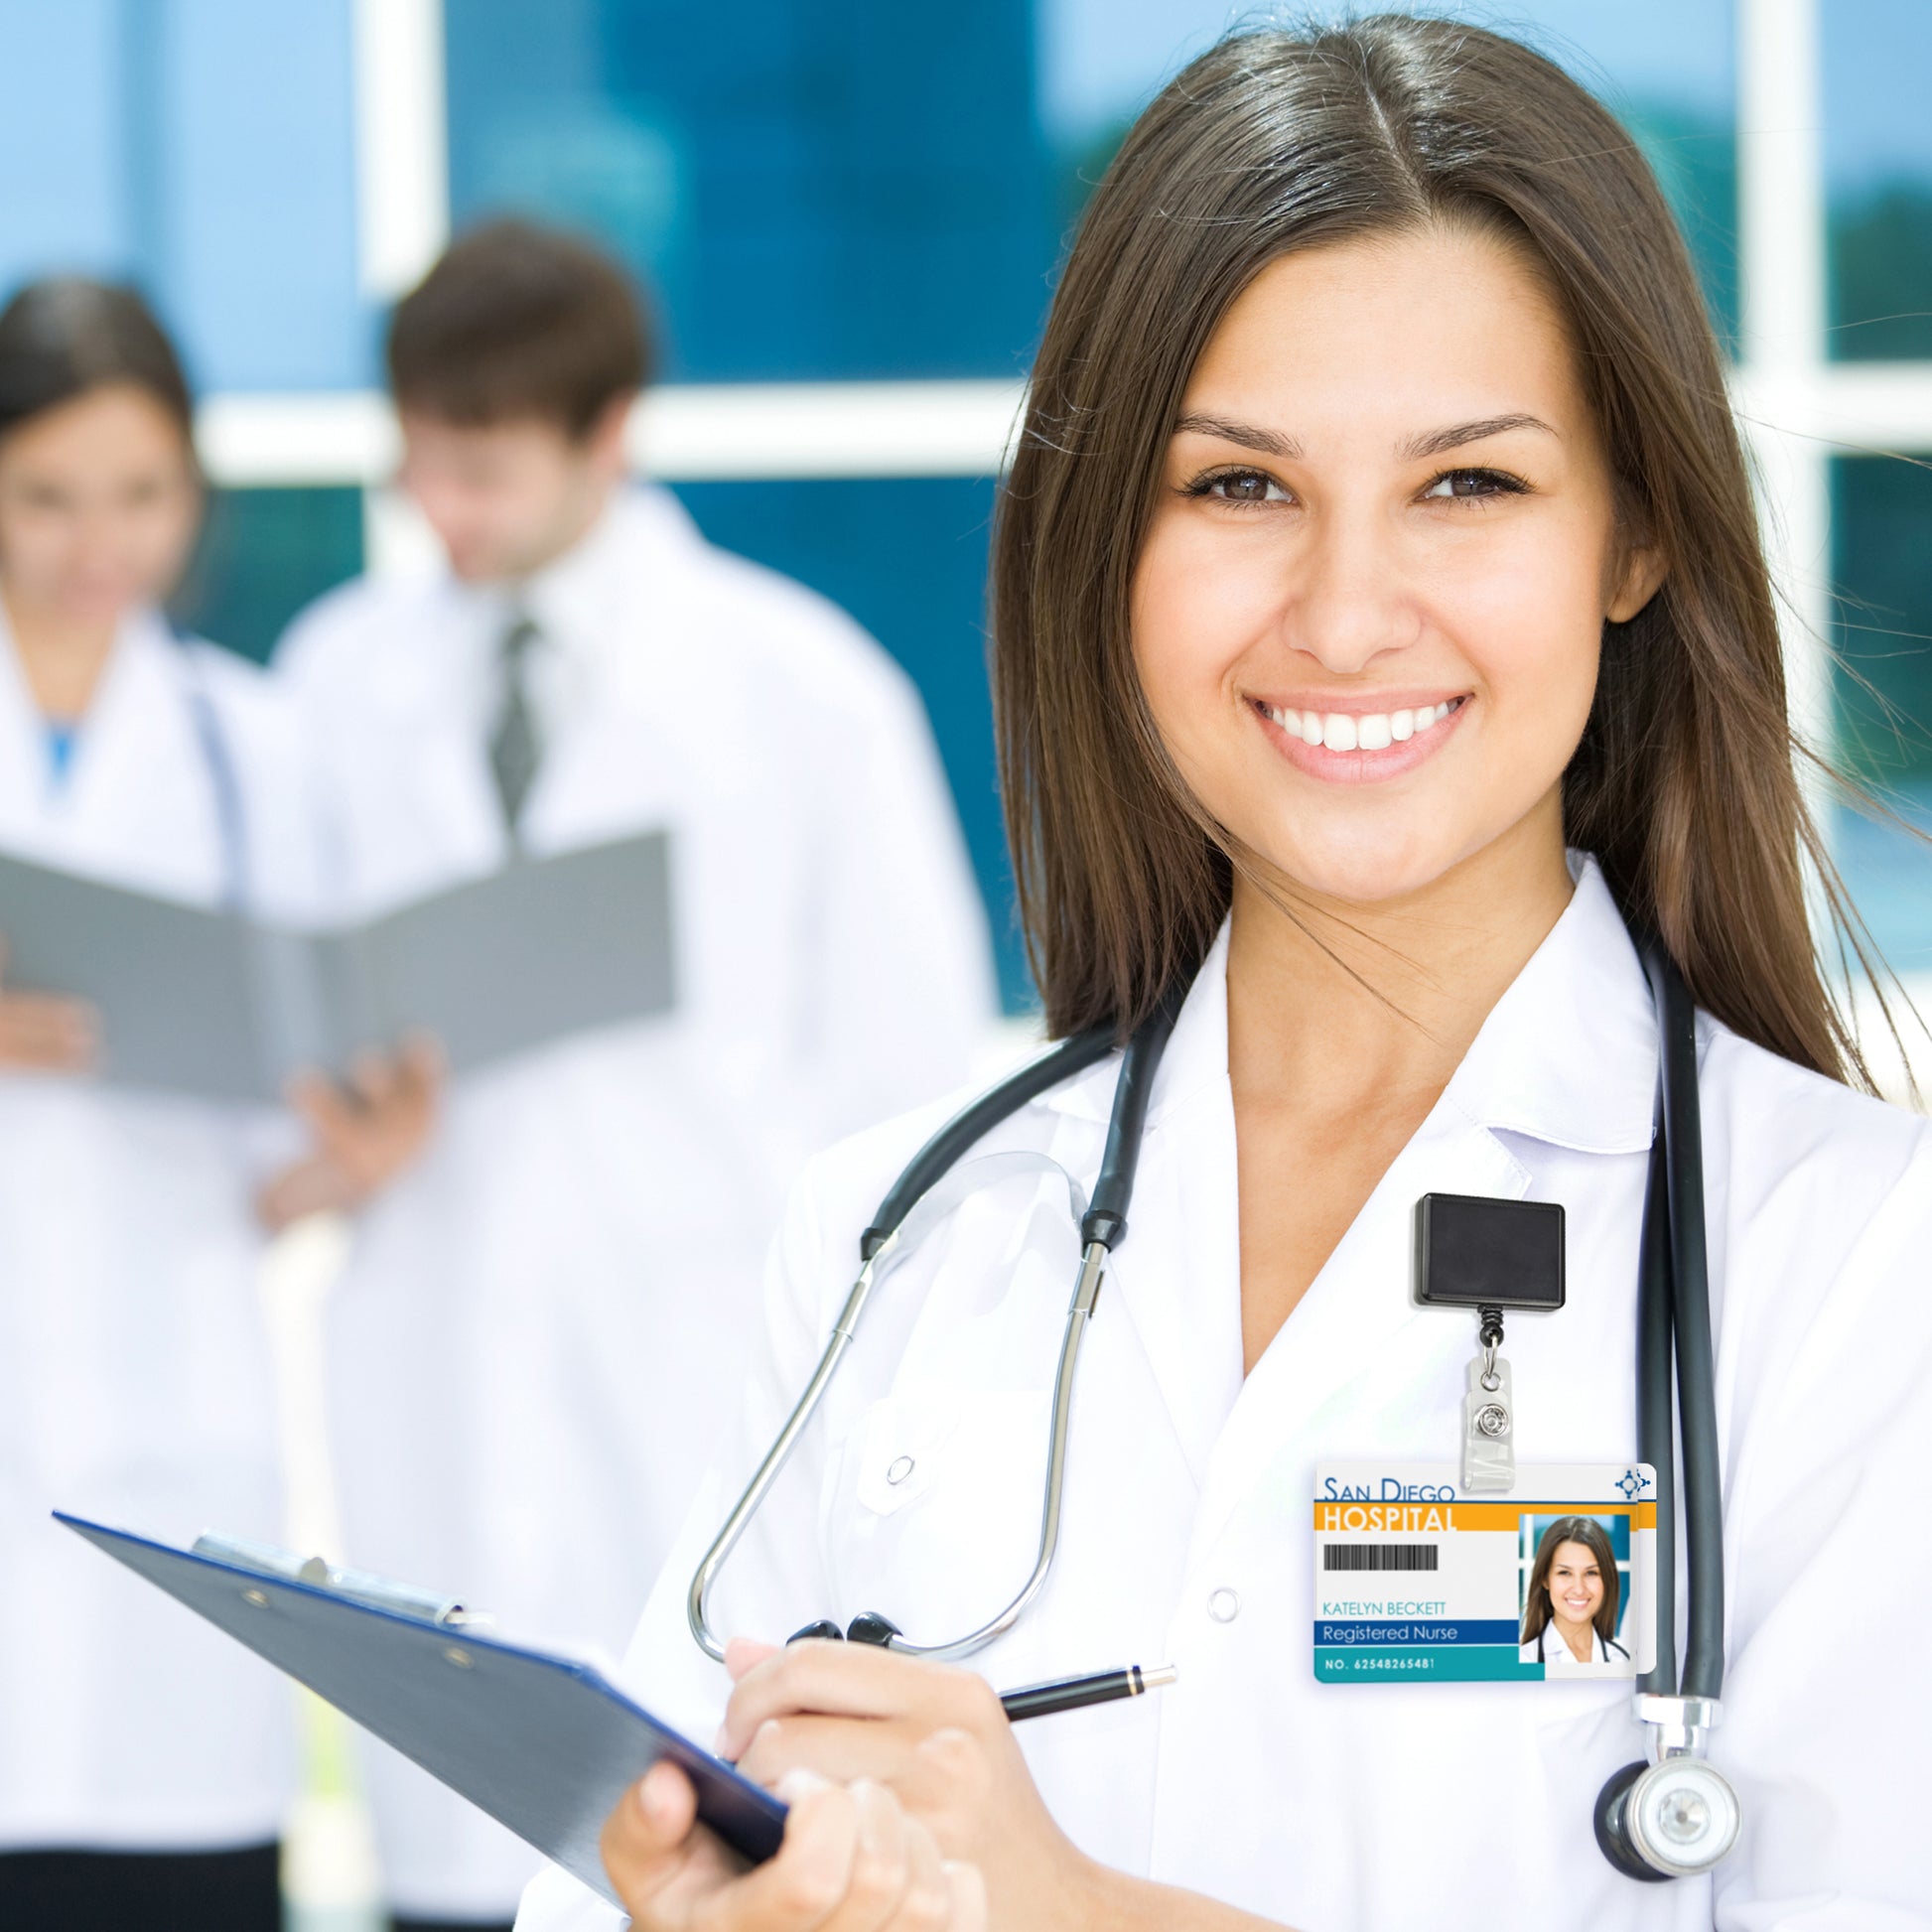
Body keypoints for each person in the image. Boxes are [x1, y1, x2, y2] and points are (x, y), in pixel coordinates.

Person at [509, 17, 1932, 1931]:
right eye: (1239, 489)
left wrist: (1059, 1904)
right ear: (1112, 548)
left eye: (1470, 487)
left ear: (1638, 532)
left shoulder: (1841, 1276)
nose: (1346, 614)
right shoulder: (910, 1238)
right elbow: (622, 1872)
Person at [274, 220, 997, 1931]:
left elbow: (913, 1100)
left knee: (697, 1856)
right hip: (436, 1367)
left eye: (487, 466)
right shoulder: (334, 681)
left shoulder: (800, 689)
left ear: (608, 434)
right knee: (452, 1874)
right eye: (420, 464)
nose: (442, 510)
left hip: (695, 1387)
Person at [0, 280, 428, 1931]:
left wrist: (353, 1158)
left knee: (177, 1865)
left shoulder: (259, 749)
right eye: (44, 495)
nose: (95, 542)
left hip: (179, 1448)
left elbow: (271, 1150)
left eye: (138, 495)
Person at [1517, 1517, 1629, 1670]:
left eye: (1591, 1573)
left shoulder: (1622, 1661)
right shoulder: (1524, 1661)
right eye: (1564, 1573)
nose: (1578, 1589)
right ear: (1545, 1579)